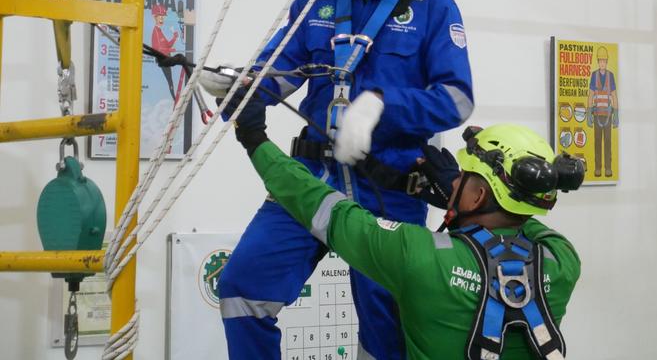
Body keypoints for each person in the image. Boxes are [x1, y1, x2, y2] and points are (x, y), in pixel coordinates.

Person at [208, 0, 475, 359]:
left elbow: (457, 99)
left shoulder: (432, 6)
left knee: (386, 334)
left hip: (390, 191)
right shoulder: (317, 3)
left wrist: (381, 107)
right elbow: (279, 74)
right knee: (241, 290)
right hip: (313, 179)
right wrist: (240, 87)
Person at [227, 89, 582, 360]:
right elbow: (529, 223)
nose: (453, 180)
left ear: (477, 198)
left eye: (462, 177)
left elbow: (321, 205)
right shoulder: (563, 262)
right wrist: (464, 199)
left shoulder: (420, 257)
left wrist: (255, 138)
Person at [587, 46, 619, 178]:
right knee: (597, 142)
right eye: (600, 60)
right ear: (597, 61)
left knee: (607, 142)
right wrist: (589, 112)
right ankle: (598, 168)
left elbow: (614, 95)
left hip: (607, 115)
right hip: (597, 115)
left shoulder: (610, 76)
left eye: (604, 61)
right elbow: (590, 95)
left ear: (606, 62)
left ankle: (608, 168)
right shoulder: (594, 76)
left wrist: (616, 113)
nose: (602, 63)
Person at [150, 4, 179, 99]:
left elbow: (168, 45)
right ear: (155, 17)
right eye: (160, 16)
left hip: (167, 58)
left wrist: (174, 37)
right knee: (170, 80)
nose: (162, 19)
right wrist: (170, 50)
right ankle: (174, 98)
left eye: (163, 17)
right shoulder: (155, 32)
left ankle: (175, 97)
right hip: (162, 60)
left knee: (171, 80)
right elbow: (158, 49)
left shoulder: (160, 32)